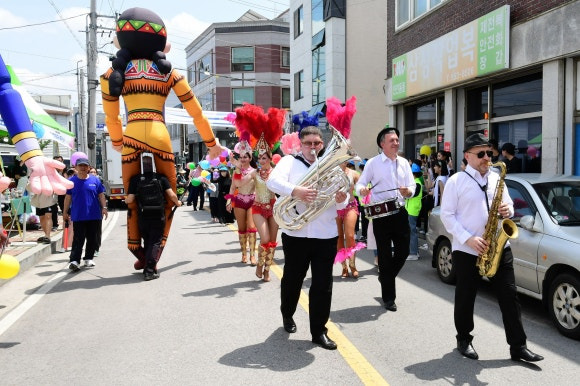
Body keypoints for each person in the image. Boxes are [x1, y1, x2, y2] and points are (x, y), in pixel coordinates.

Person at [440, 133, 543, 362]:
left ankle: (518, 346)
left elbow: (508, 205)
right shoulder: (457, 181)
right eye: (481, 154)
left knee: (510, 296)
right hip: (468, 249)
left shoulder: (497, 178)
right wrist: (469, 239)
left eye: (489, 153)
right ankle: (464, 339)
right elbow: (447, 216)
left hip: (498, 246)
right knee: (466, 296)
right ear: (467, 156)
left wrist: (509, 211)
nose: (487, 157)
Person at [267, 125, 349, 350]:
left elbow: (342, 201)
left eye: (317, 143)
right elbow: (272, 182)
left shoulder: (332, 167)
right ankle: (287, 314)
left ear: (322, 144)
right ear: (300, 144)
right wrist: (296, 191)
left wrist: (342, 197)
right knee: (292, 280)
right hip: (296, 234)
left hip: (325, 235)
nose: (313, 147)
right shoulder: (288, 162)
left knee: (323, 285)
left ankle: (319, 332)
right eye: (308, 143)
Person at [356, 127, 415, 312]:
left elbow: (412, 185)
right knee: (384, 255)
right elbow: (360, 183)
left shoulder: (404, 163)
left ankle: (386, 276)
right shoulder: (373, 163)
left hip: (400, 212)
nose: (396, 143)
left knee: (403, 251)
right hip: (381, 215)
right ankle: (389, 298)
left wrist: (409, 191)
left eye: (397, 140)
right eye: (392, 140)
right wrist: (363, 190)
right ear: (382, 144)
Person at [125, 155, 182, 280]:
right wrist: (178, 203)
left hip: (143, 215)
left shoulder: (136, 179)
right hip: (158, 215)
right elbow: (171, 195)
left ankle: (147, 265)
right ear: (153, 165)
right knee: (155, 242)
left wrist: (125, 200)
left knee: (147, 241)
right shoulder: (161, 178)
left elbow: (130, 199)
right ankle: (149, 271)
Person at [63, 158, 108, 271]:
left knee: (93, 238)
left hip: (94, 215)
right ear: (76, 167)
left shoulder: (95, 180)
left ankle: (88, 258)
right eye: (80, 166)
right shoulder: (71, 182)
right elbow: (67, 198)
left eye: (85, 166)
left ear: (88, 167)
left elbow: (101, 195)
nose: (83, 168)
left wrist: (104, 208)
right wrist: (64, 212)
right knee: (78, 239)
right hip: (78, 215)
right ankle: (74, 260)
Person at [227, 140, 258, 265]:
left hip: (252, 201)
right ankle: (244, 254)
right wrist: (229, 200)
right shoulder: (237, 171)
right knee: (242, 228)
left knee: (251, 227)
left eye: (246, 157)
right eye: (241, 157)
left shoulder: (255, 171)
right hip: (239, 201)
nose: (243, 159)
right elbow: (233, 188)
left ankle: (252, 256)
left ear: (250, 158)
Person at [406, 163, 423, 261]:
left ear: (413, 174)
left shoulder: (416, 183)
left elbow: (411, 195)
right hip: (411, 209)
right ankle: (414, 251)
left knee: (412, 231)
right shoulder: (415, 183)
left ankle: (413, 253)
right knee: (411, 231)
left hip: (413, 210)